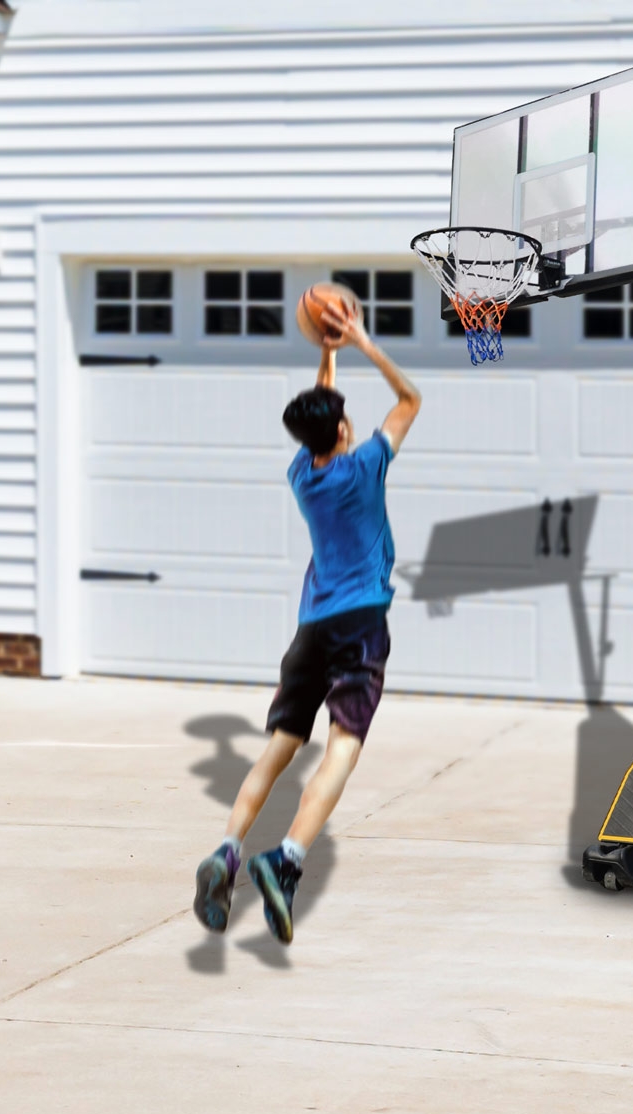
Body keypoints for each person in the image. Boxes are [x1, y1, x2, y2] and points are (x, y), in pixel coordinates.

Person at [193, 302, 421, 944]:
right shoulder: (366, 465)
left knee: (278, 749)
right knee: (343, 746)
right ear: (344, 429)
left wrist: (328, 353)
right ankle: (286, 859)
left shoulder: (303, 473)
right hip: (360, 626)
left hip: (311, 629)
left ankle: (227, 851)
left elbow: (322, 415)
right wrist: (363, 342)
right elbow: (410, 399)